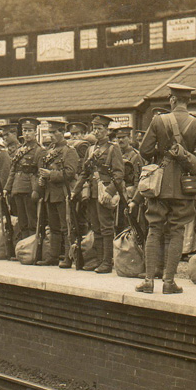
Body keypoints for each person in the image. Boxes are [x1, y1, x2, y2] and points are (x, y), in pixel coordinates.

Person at [133, 84, 196, 293]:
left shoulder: (159, 120)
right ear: (189, 101)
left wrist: (163, 152)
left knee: (154, 228)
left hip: (159, 185)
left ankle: (149, 281)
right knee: (176, 231)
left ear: (172, 100)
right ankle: (169, 282)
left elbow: (145, 150)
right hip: (185, 186)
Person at [72, 114, 125, 274]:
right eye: (94, 128)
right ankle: (99, 260)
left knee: (106, 227)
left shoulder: (113, 148)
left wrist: (109, 191)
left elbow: (119, 173)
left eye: (100, 128)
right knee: (95, 227)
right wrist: (76, 190)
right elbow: (84, 173)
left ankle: (106, 262)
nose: (97, 131)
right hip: (93, 193)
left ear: (107, 131)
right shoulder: (90, 149)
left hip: (104, 193)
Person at [36, 120, 80, 267]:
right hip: (50, 193)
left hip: (63, 194)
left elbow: (70, 173)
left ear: (62, 133)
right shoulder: (49, 151)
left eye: (55, 132)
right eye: (50, 132)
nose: (52, 135)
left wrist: (50, 175)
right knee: (53, 227)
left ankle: (69, 257)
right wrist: (43, 179)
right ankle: (53, 256)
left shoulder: (70, 151)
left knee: (66, 226)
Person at [4, 117, 46, 240]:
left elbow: (40, 173)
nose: (26, 134)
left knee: (32, 221)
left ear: (35, 132)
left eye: (29, 131)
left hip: (30, 190)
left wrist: (36, 190)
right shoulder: (20, 150)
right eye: (24, 131)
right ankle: (23, 248)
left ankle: (31, 248)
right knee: (22, 221)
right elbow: (13, 170)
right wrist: (7, 188)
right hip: (17, 188)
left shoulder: (39, 151)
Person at [116, 126, 144, 233]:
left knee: (130, 226)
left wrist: (134, 199)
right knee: (117, 225)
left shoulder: (136, 156)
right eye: (118, 138)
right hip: (117, 195)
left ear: (129, 138)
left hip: (129, 196)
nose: (120, 140)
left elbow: (139, 179)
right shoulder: (116, 154)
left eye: (123, 137)